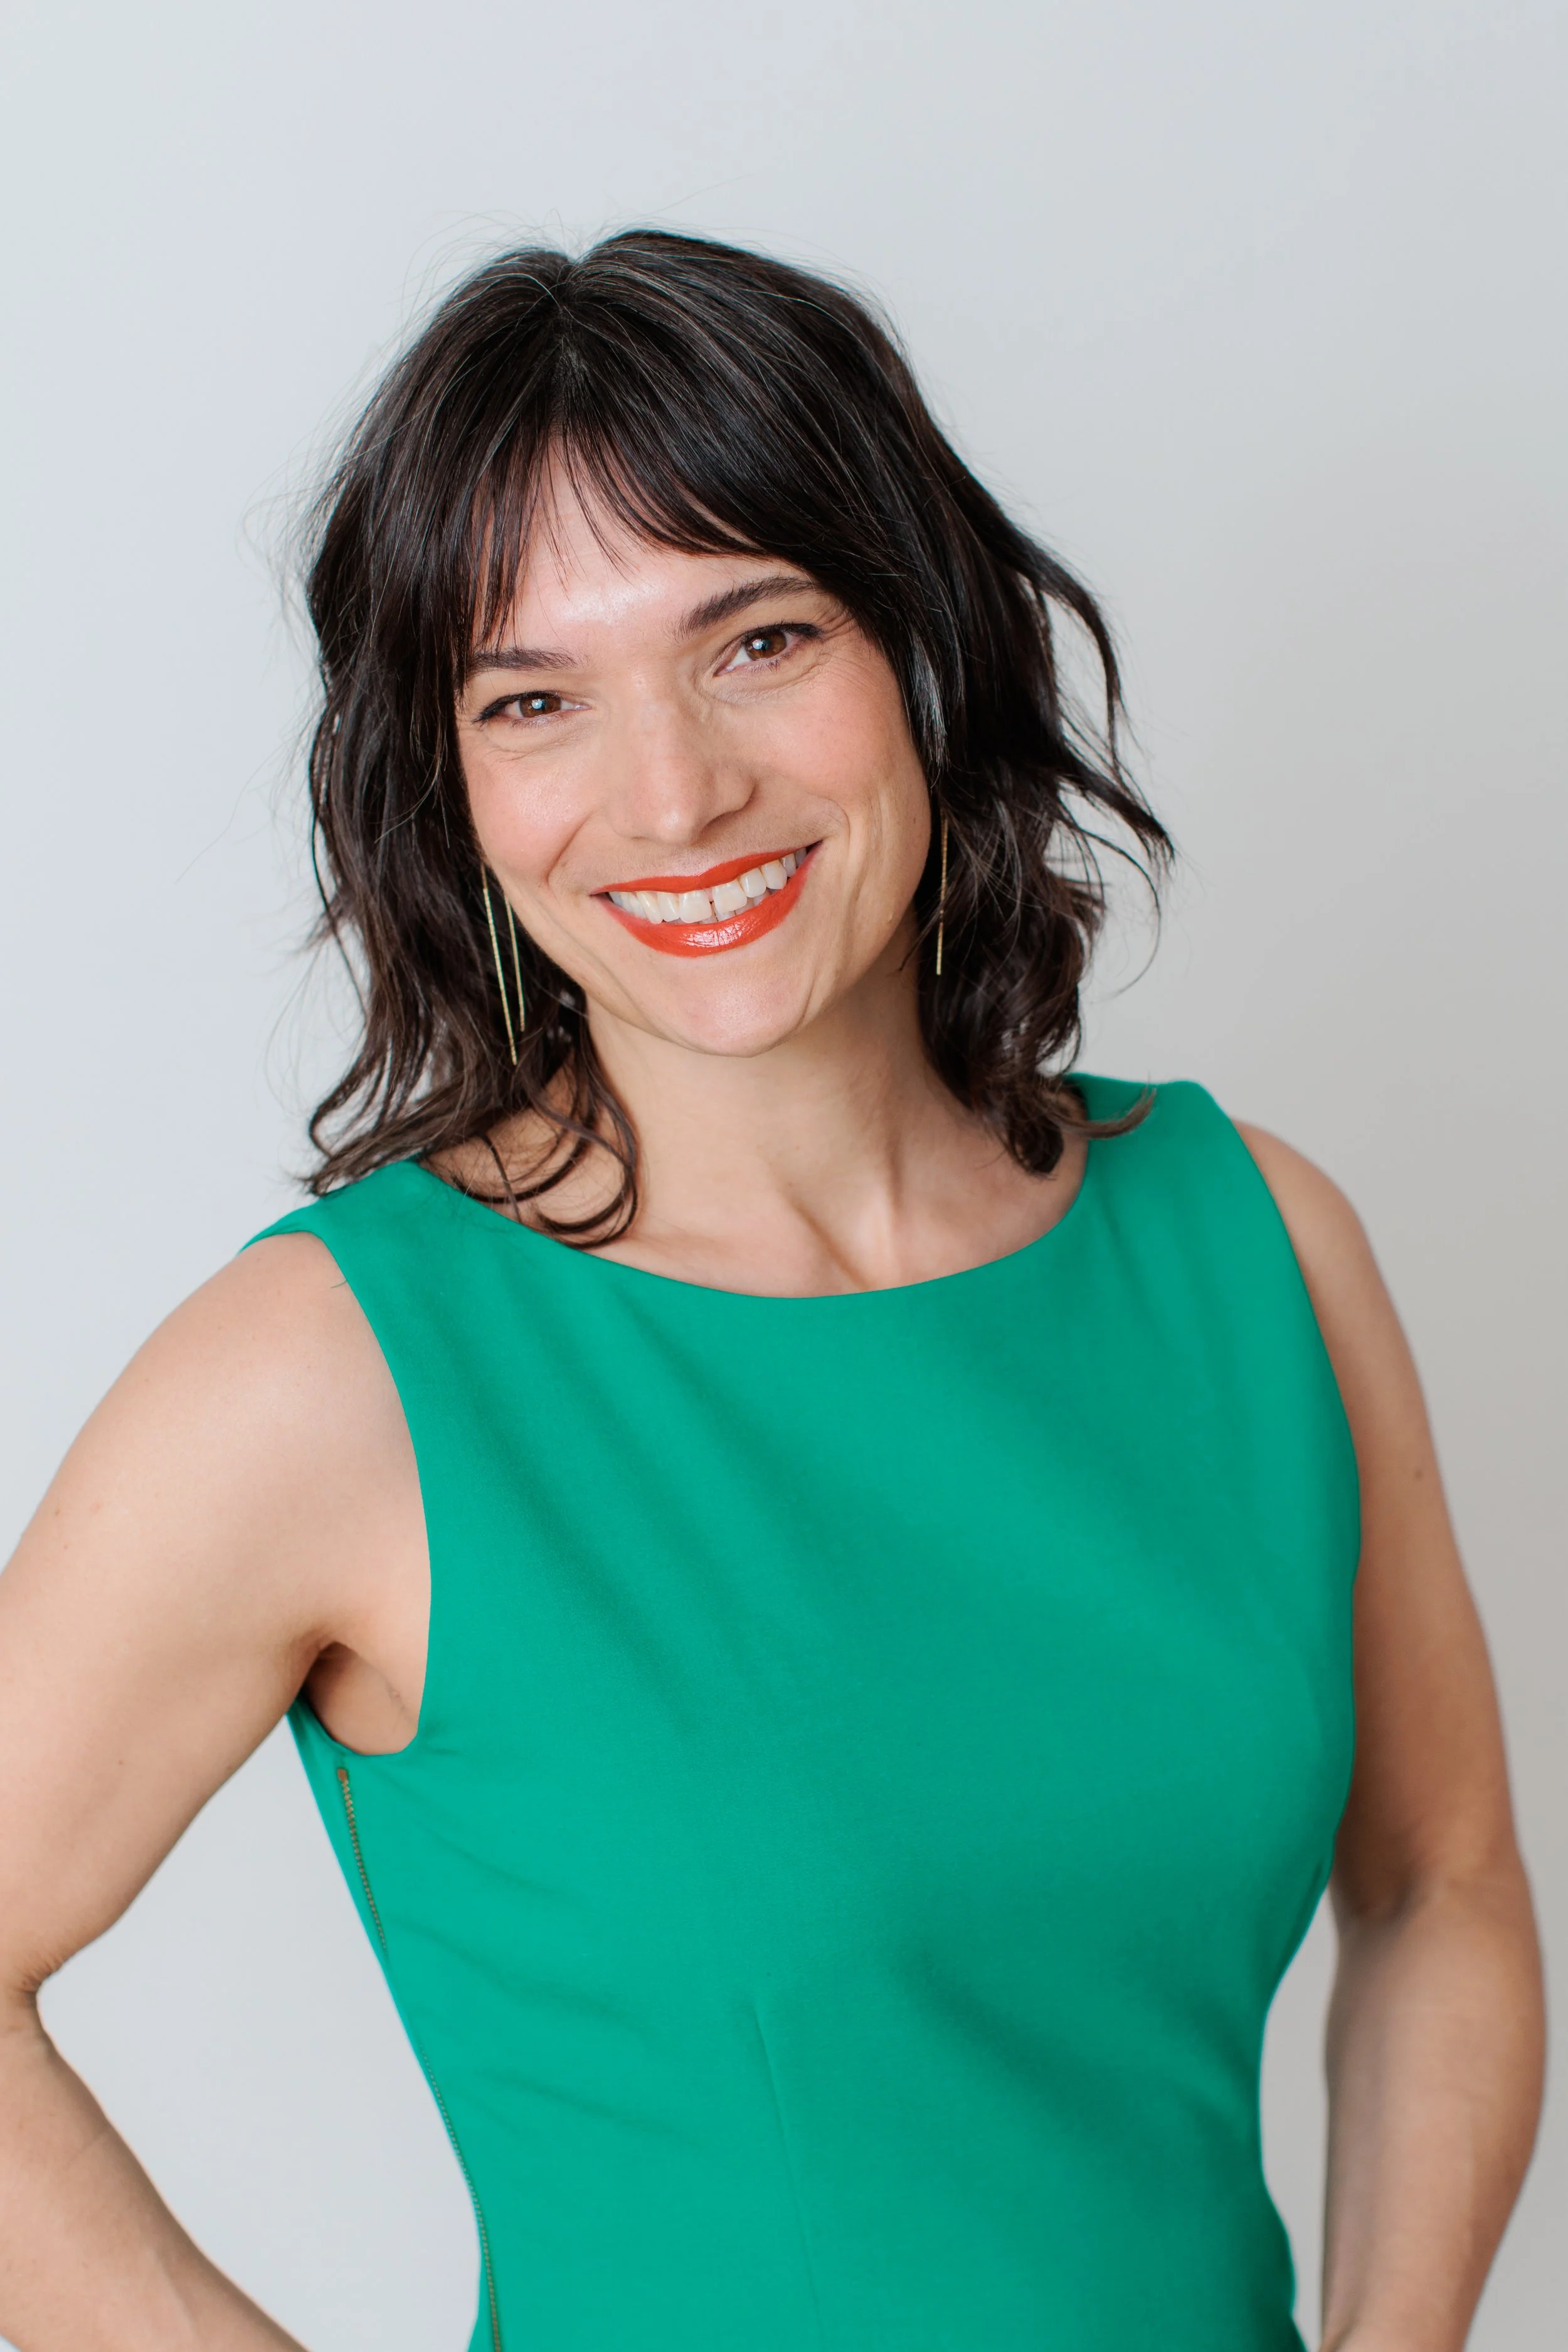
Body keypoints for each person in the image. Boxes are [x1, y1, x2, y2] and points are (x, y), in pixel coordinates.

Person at [0, 230, 1544, 2352]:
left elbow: (1442, 1880)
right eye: (533, 698)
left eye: (754, 640)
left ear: (919, 645)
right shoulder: (337, 1371)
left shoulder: (1251, 1238)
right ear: (449, 791)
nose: (672, 791)